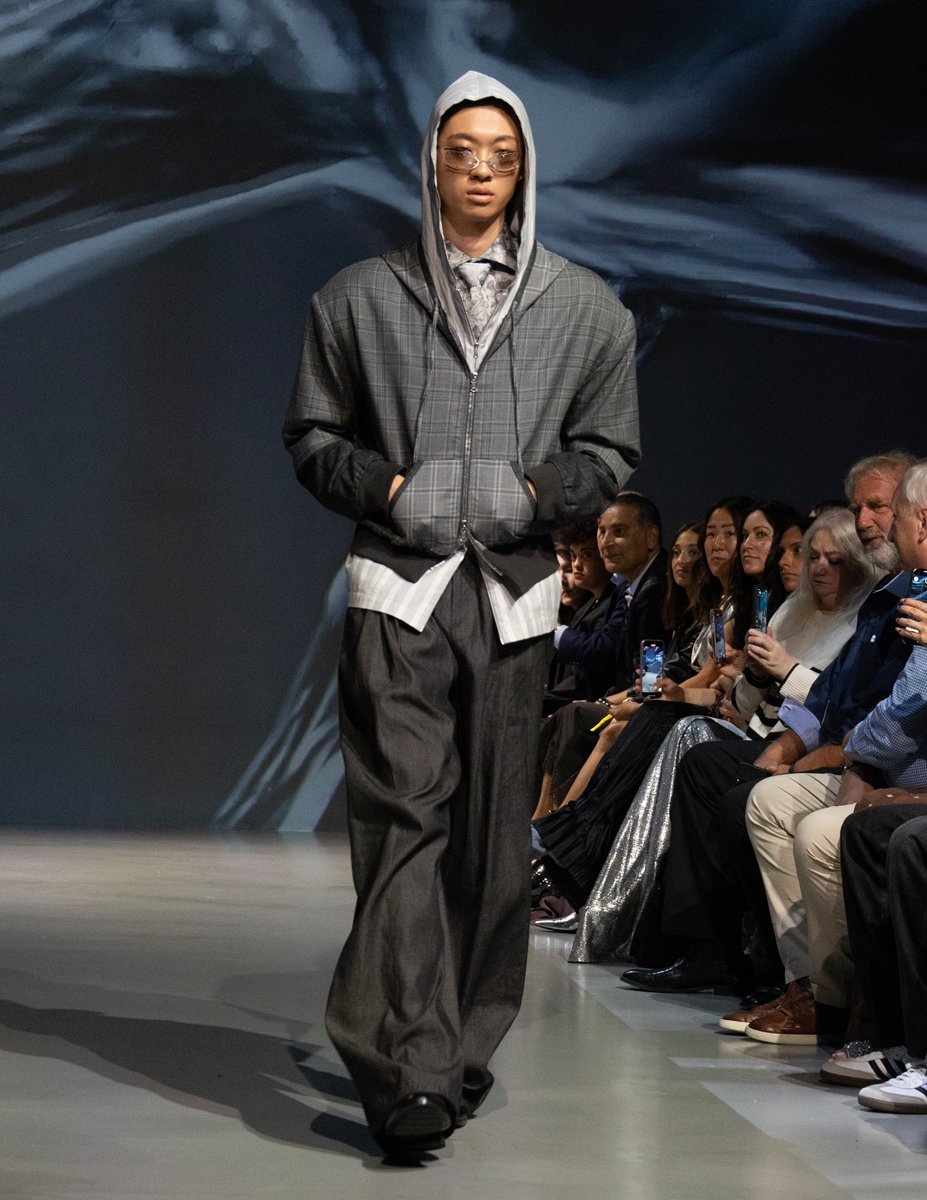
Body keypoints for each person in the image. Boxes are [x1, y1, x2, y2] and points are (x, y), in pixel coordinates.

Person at [282, 71, 639, 1155]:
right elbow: (312, 436)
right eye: (461, 151)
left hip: (517, 602)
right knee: (401, 823)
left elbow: (611, 450)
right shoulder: (356, 297)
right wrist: (390, 487)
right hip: (399, 592)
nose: (481, 171)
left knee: (489, 844)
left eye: (501, 154)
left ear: (524, 169)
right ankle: (409, 1071)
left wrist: (535, 493)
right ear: (430, 163)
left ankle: (458, 1052)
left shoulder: (586, 306)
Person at [621, 453, 915, 998]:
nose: (867, 521)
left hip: (870, 766)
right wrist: (780, 740)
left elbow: (884, 717)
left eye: (880, 507)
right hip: (813, 745)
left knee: (728, 780)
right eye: (808, 556)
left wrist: (793, 726)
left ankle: (793, 980)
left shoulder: (890, 604)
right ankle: (711, 950)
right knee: (697, 754)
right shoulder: (861, 604)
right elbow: (825, 701)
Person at [573, 507, 871, 965]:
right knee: (661, 724)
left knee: (683, 733)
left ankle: (620, 897)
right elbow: (745, 702)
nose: (817, 567)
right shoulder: (791, 611)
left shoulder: (859, 622)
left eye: (834, 559)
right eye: (811, 556)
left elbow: (836, 712)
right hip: (757, 731)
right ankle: (612, 891)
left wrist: (784, 671)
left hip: (803, 746)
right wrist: (754, 676)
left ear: (860, 564)